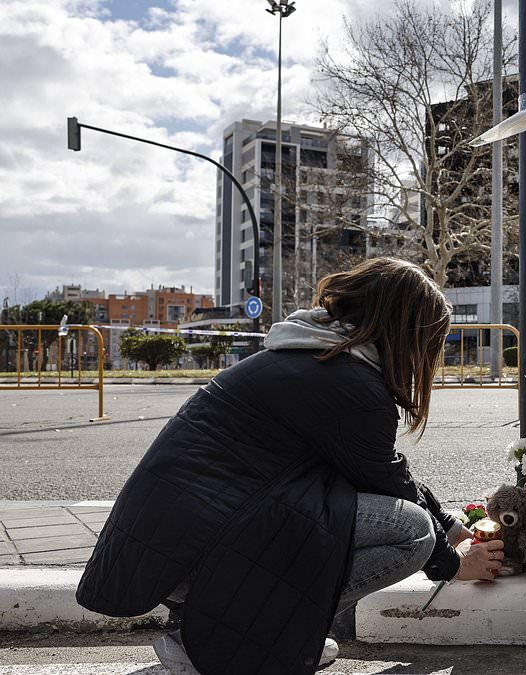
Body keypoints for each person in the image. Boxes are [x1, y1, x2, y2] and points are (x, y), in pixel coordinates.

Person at [76, 258, 504, 674]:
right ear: (406, 333)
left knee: (391, 519)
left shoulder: (312, 355)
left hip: (171, 547)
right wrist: (451, 562)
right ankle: (230, 641)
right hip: (190, 558)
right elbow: (390, 486)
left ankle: (251, 633)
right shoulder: (350, 386)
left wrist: (450, 525)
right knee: (411, 532)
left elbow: (383, 470)